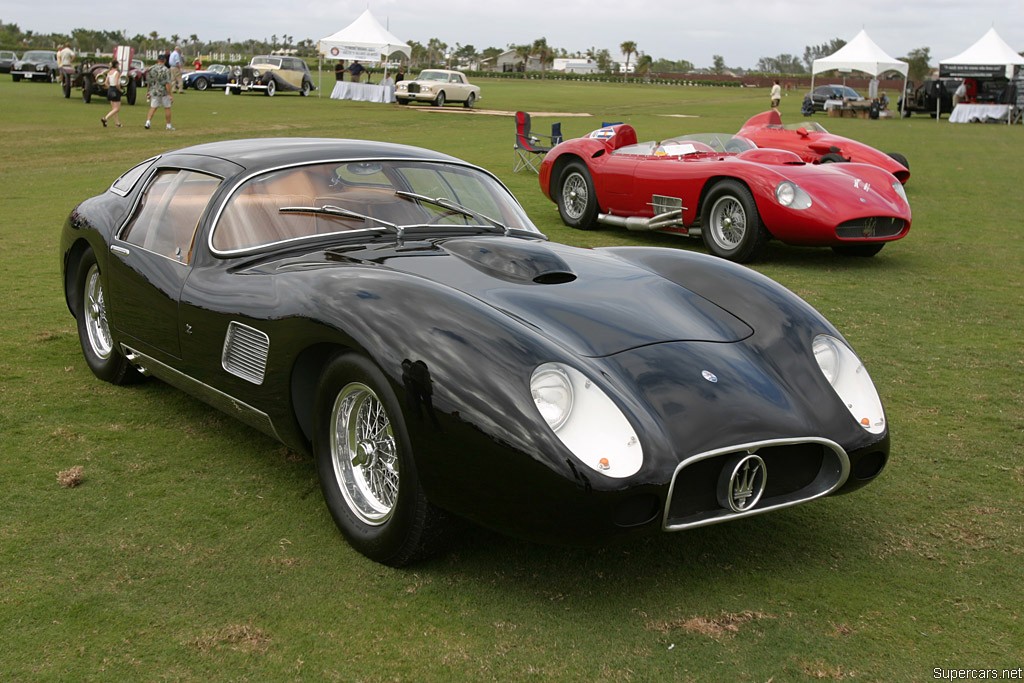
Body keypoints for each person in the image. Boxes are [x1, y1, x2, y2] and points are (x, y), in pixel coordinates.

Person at [145, 54, 175, 131]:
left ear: (157, 60)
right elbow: (167, 83)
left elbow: (149, 82)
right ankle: (168, 125)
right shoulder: (166, 70)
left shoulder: (151, 69)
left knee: (153, 107)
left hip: (154, 91)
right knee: (167, 108)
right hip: (163, 92)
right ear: (164, 60)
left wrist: (148, 91)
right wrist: (170, 94)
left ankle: (148, 122)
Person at [100, 59, 123, 128]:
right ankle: (105, 118)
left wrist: (110, 87)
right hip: (115, 90)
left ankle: (117, 123)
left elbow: (106, 83)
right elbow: (116, 84)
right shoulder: (117, 72)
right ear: (116, 65)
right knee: (117, 109)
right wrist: (120, 90)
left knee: (114, 108)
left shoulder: (109, 72)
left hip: (110, 90)